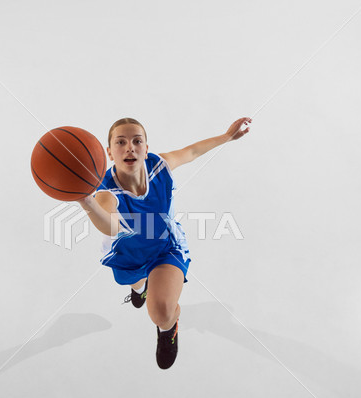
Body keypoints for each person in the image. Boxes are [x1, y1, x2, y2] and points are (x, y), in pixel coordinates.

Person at [79, 117, 251, 369]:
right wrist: (86, 201)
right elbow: (110, 225)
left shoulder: (158, 165)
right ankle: (140, 289)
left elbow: (191, 152)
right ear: (109, 152)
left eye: (137, 141)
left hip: (165, 247)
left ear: (146, 148)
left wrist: (226, 136)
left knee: (159, 311)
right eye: (121, 142)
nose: (130, 147)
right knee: (134, 283)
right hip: (127, 252)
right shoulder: (106, 191)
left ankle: (168, 329)